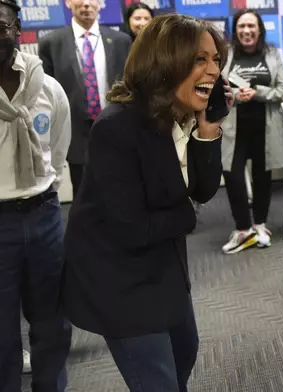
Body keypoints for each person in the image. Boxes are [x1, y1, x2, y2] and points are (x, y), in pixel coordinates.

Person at [62, 15, 231, 390]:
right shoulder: (117, 126)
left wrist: (209, 131)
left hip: (164, 268)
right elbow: (133, 228)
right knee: (158, 382)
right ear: (164, 62)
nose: (214, 71)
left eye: (216, 59)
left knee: (184, 354)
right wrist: (187, 217)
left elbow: (203, 191)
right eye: (200, 59)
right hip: (119, 282)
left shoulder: (184, 115)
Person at [0, 1, 72, 390]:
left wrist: (42, 193)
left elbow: (57, 152)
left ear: (17, 28)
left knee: (52, 324)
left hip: (44, 217)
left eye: (0, 25)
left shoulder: (47, 88)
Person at [38, 0, 131, 196]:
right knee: (83, 191)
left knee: (120, 189)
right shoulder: (52, 43)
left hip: (115, 127)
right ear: (69, 3)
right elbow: (46, 92)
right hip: (75, 130)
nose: (86, 4)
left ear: (101, 4)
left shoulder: (121, 41)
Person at [220, 9, 283, 254]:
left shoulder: (271, 54)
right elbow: (216, 89)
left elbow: (282, 90)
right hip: (233, 130)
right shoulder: (225, 54)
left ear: (259, 29)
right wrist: (237, 96)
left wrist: (258, 93)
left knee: (262, 179)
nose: (247, 31)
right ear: (235, 30)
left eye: (251, 26)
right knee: (233, 176)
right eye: (241, 26)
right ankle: (242, 229)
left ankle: (260, 225)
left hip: (265, 129)